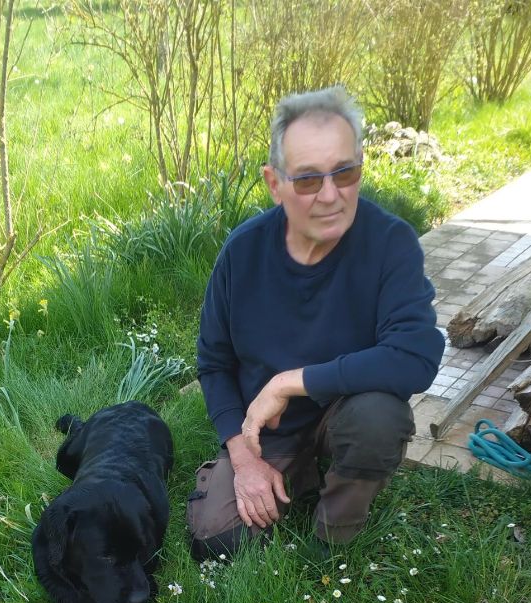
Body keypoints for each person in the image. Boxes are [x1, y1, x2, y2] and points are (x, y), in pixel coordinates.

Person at [187, 85, 444, 561]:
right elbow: (214, 363)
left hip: (345, 409)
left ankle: (334, 538)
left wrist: (287, 382)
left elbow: (417, 355)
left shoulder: (391, 243)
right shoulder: (241, 254)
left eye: (345, 172)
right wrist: (242, 457)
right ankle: (291, 473)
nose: (331, 195)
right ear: (274, 183)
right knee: (216, 542)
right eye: (307, 180)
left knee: (378, 418)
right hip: (268, 429)